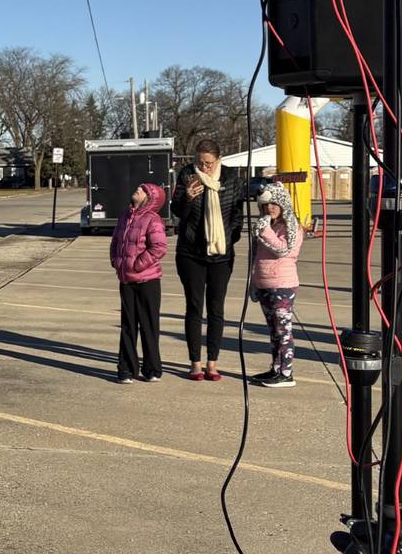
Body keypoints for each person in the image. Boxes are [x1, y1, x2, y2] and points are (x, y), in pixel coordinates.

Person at [171, 139, 242, 381]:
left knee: (216, 309)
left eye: (209, 163)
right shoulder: (187, 175)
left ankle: (213, 363)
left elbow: (237, 212)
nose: (205, 167)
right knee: (194, 307)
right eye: (201, 162)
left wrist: (230, 237)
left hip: (221, 253)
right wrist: (187, 198)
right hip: (191, 252)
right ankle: (195, 363)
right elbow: (177, 212)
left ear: (218, 159)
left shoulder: (231, 178)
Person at [109, 182, 168, 383]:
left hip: (148, 280)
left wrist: (137, 265)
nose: (137, 190)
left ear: (150, 198)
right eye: (138, 188)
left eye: (142, 190)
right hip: (126, 280)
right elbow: (116, 241)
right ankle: (126, 369)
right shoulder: (125, 215)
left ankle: (152, 369)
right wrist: (116, 261)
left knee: (149, 325)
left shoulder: (153, 219)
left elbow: (159, 247)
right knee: (128, 325)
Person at [249, 182, 303, 388]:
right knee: (273, 330)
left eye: (273, 204)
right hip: (264, 283)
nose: (269, 208)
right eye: (265, 205)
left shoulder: (291, 227)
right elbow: (257, 256)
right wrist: (253, 282)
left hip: (283, 284)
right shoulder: (266, 226)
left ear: (282, 203)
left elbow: (283, 250)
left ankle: (287, 372)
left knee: (283, 329)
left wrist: (264, 231)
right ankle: (276, 368)